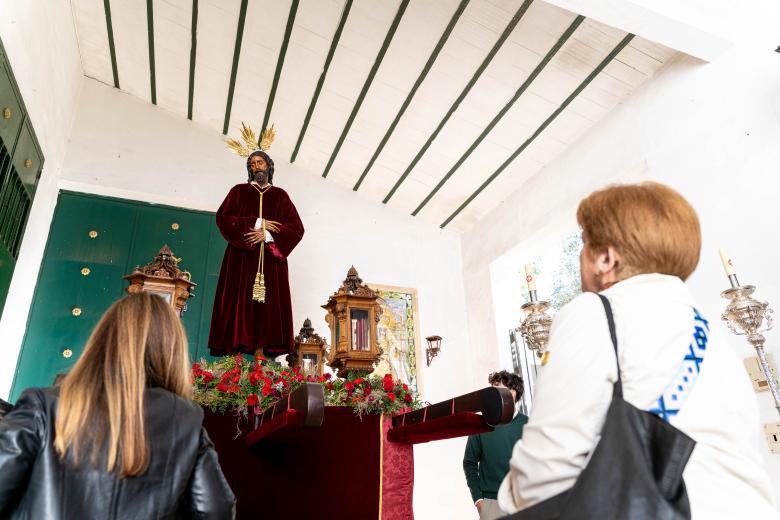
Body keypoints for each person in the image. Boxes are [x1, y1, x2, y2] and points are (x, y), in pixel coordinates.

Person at [498, 182, 779, 518]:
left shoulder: (595, 312)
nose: (581, 258)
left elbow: (539, 479)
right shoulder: (718, 341)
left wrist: (506, 498)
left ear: (605, 258)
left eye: (585, 244)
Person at [0, 292, 235, 519]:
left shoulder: (43, 406)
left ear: (103, 341)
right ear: (173, 354)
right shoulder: (187, 422)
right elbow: (217, 511)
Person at [208, 148, 304, 359]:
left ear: (269, 166)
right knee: (237, 301)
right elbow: (223, 219)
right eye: (251, 163)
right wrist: (257, 223)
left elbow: (296, 228)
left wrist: (268, 235)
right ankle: (235, 355)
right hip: (240, 259)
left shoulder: (281, 196)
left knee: (266, 306)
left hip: (270, 262)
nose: (255, 166)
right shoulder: (238, 192)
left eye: (260, 162)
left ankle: (261, 352)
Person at [464, 370, 528, 520]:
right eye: (495, 389)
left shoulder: (528, 425)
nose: (497, 395)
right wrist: (479, 500)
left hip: (522, 501)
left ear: (515, 395)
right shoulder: (480, 423)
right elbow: (469, 462)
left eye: (503, 389)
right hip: (491, 504)